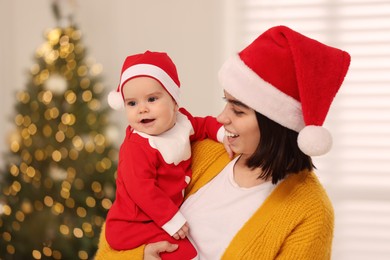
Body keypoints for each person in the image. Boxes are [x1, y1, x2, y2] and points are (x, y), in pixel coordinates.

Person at [95, 25, 351, 260]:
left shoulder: (310, 212)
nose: (221, 117)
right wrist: (141, 256)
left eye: (238, 111)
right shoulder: (202, 152)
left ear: (276, 125)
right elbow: (113, 240)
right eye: (226, 102)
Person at [104, 51, 225, 260]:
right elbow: (142, 189)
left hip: (156, 216)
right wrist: (171, 219)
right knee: (185, 252)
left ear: (174, 101)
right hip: (134, 223)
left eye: (152, 99)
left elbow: (204, 125)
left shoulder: (182, 122)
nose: (142, 109)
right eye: (132, 103)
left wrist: (223, 133)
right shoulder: (136, 147)